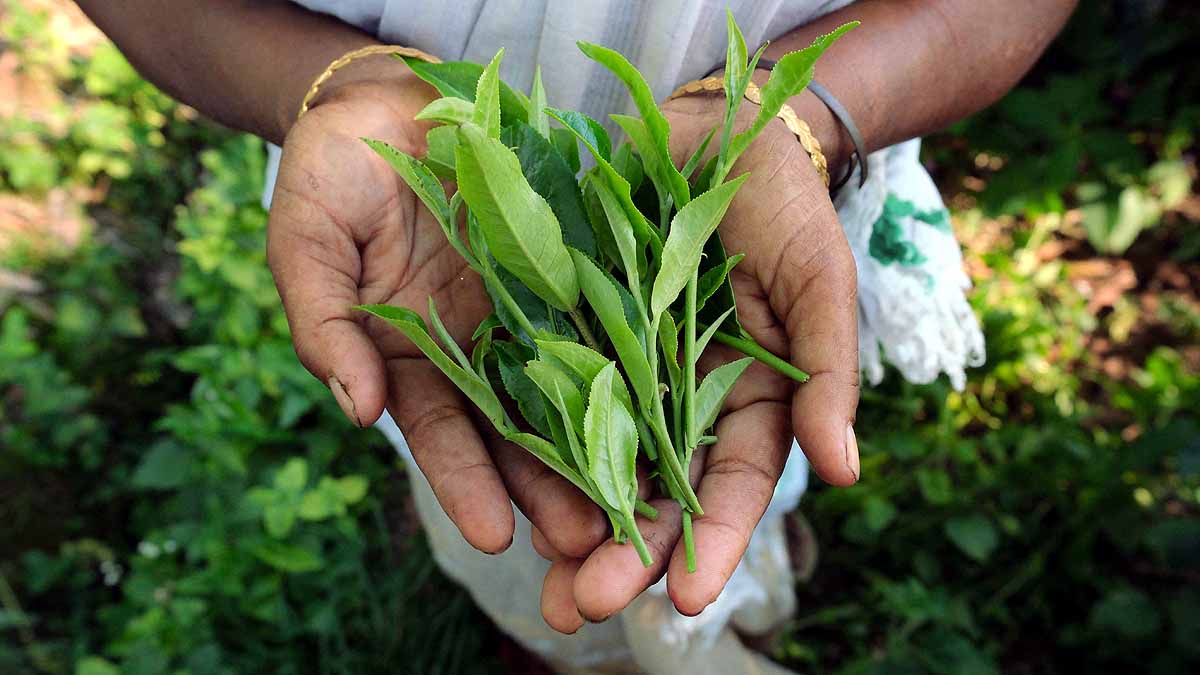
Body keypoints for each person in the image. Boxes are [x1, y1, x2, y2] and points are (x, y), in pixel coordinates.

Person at [77, 1, 1077, 672]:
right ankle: (591, 647)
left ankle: (740, 582)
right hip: (418, 241)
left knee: (745, 466)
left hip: (761, 219)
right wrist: (331, 82)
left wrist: (794, 113)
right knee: (521, 522)